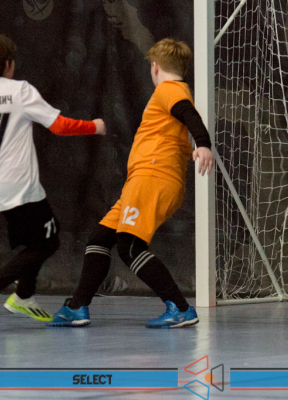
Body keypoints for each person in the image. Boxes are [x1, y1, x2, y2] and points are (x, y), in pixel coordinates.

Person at [48, 38, 214, 329]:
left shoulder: (169, 89)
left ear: (155, 67)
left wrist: (203, 144)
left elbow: (188, 112)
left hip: (153, 177)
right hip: (141, 181)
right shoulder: (174, 91)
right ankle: (77, 307)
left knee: (130, 246)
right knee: (100, 239)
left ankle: (180, 308)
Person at [0, 33, 106, 328]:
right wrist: (94, 126)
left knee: (38, 240)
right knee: (48, 242)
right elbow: (59, 126)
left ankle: (24, 295)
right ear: (8, 64)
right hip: (21, 184)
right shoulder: (19, 91)